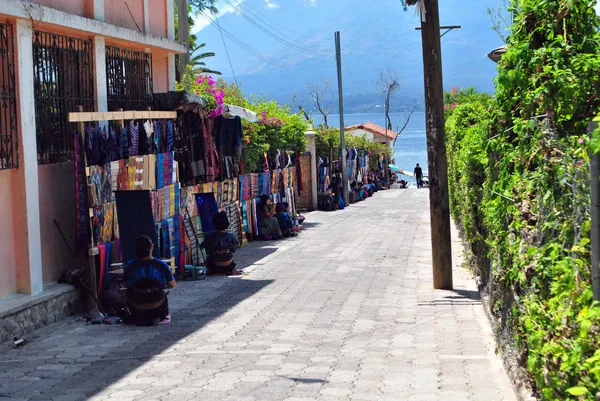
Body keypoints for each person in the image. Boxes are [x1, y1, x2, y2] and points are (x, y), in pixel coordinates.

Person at [123, 236, 175, 326]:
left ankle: (135, 316)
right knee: (162, 293)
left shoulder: (130, 265)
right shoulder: (161, 265)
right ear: (152, 246)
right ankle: (160, 316)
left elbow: (125, 283)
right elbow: (173, 284)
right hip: (157, 305)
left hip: (136, 306)